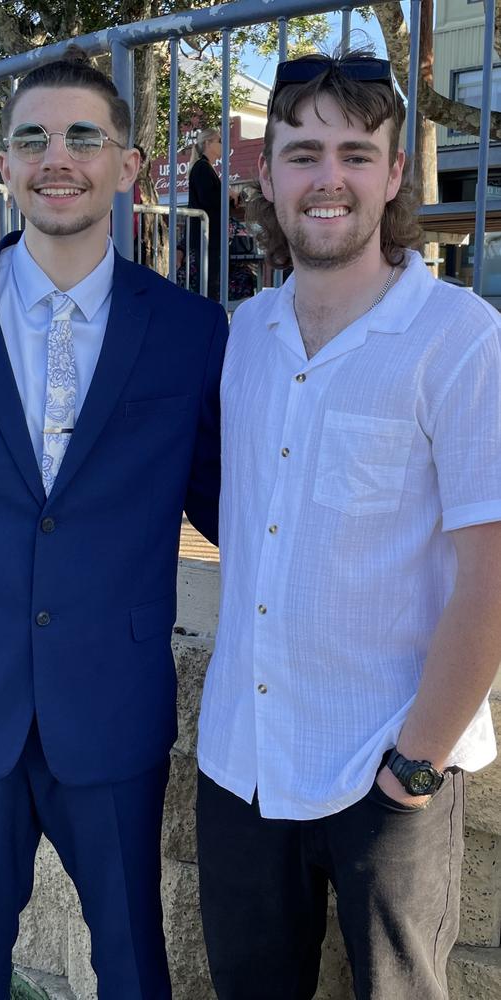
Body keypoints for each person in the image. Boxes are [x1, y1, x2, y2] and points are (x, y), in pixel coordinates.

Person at [0, 51, 227, 1000]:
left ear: (130, 166)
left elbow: (230, 507)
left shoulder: (192, 330)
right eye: (33, 138)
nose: (57, 157)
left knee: (135, 965)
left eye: (83, 136)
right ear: (4, 164)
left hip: (110, 698)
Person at [196, 49, 501, 1000]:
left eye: (355, 153)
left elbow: (491, 572)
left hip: (387, 763)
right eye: (302, 152)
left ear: (395, 172)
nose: (328, 178)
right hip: (240, 761)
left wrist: (414, 764)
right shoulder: (244, 334)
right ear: (268, 174)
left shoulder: (460, 339)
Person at [188, 127, 222, 300]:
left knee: (212, 280)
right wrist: (227, 194)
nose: (223, 145)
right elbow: (208, 199)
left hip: (210, 235)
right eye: (219, 141)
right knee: (208, 282)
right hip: (206, 236)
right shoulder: (202, 168)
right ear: (208, 143)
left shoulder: (205, 167)